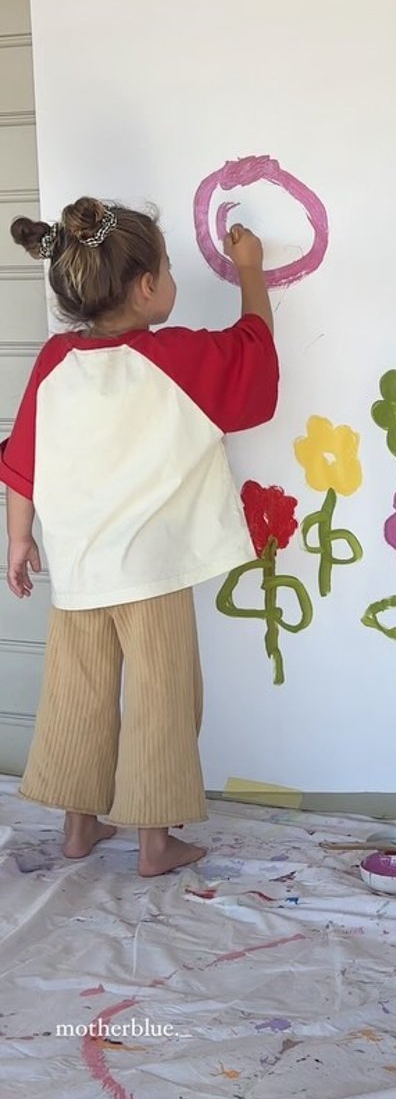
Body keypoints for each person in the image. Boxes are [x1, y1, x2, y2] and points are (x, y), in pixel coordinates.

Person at [1, 197, 277, 876]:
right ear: (148, 288)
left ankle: (77, 826)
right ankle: (155, 843)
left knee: (77, 694)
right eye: (170, 268)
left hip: (80, 568)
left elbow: (20, 461)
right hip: (152, 571)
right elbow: (255, 358)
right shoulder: (175, 358)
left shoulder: (54, 362)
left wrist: (18, 541)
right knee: (162, 697)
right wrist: (250, 270)